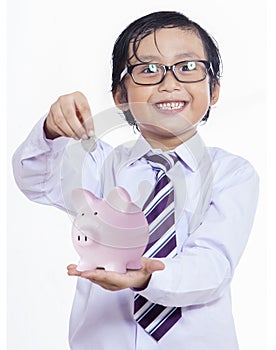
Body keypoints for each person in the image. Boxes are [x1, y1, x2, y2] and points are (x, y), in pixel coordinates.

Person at [12, 11, 259, 350]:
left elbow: (213, 264)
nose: (169, 83)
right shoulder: (99, 164)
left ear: (213, 89)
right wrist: (51, 131)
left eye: (187, 67)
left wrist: (148, 277)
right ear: (120, 97)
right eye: (148, 70)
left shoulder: (232, 174)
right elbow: (34, 178)